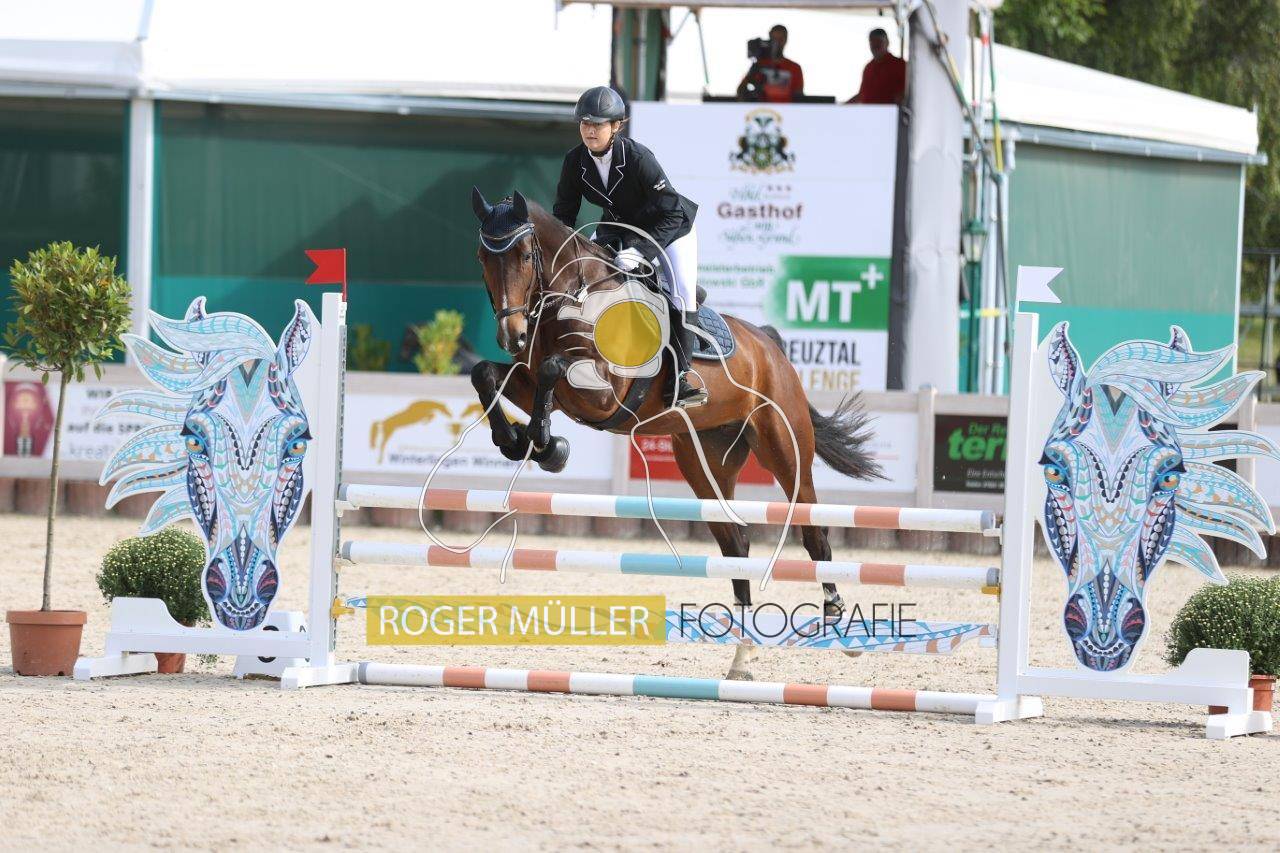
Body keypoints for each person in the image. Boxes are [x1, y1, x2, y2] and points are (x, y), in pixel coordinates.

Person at [553, 85, 707, 409]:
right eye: (585, 123)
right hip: (618, 226)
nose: (590, 130)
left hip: (669, 227)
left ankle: (681, 379)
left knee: (681, 292)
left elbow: (671, 211)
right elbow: (564, 215)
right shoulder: (574, 161)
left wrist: (640, 251)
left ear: (616, 126)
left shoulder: (638, 158)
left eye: (598, 124)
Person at [736, 24, 804, 104]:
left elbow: (799, 96)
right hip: (762, 109)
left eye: (780, 39)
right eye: (774, 40)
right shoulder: (760, 65)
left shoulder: (794, 68)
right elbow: (741, 90)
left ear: (785, 40)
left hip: (786, 109)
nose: (777, 43)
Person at [848, 28, 906, 105]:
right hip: (868, 111)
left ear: (887, 42)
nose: (875, 45)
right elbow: (862, 94)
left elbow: (906, 93)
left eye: (879, 41)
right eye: (872, 42)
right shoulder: (868, 67)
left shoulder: (900, 65)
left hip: (890, 111)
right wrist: (843, 106)